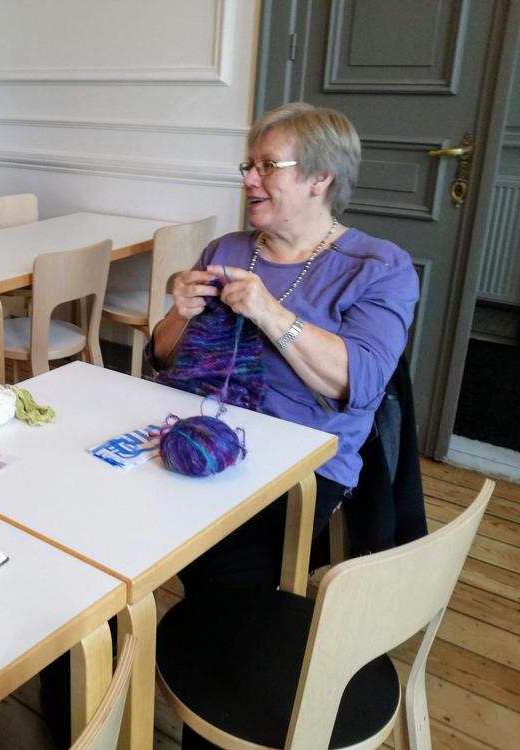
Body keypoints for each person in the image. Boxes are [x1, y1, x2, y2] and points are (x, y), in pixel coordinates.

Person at [151, 102, 420, 601]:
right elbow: (166, 359)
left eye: (268, 166)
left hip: (300, 468)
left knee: (220, 575)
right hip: (194, 429)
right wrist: (179, 314)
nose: (249, 179)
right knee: (100, 524)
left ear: (321, 177)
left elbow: (358, 384)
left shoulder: (379, 266)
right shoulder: (226, 250)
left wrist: (271, 313)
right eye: (248, 165)